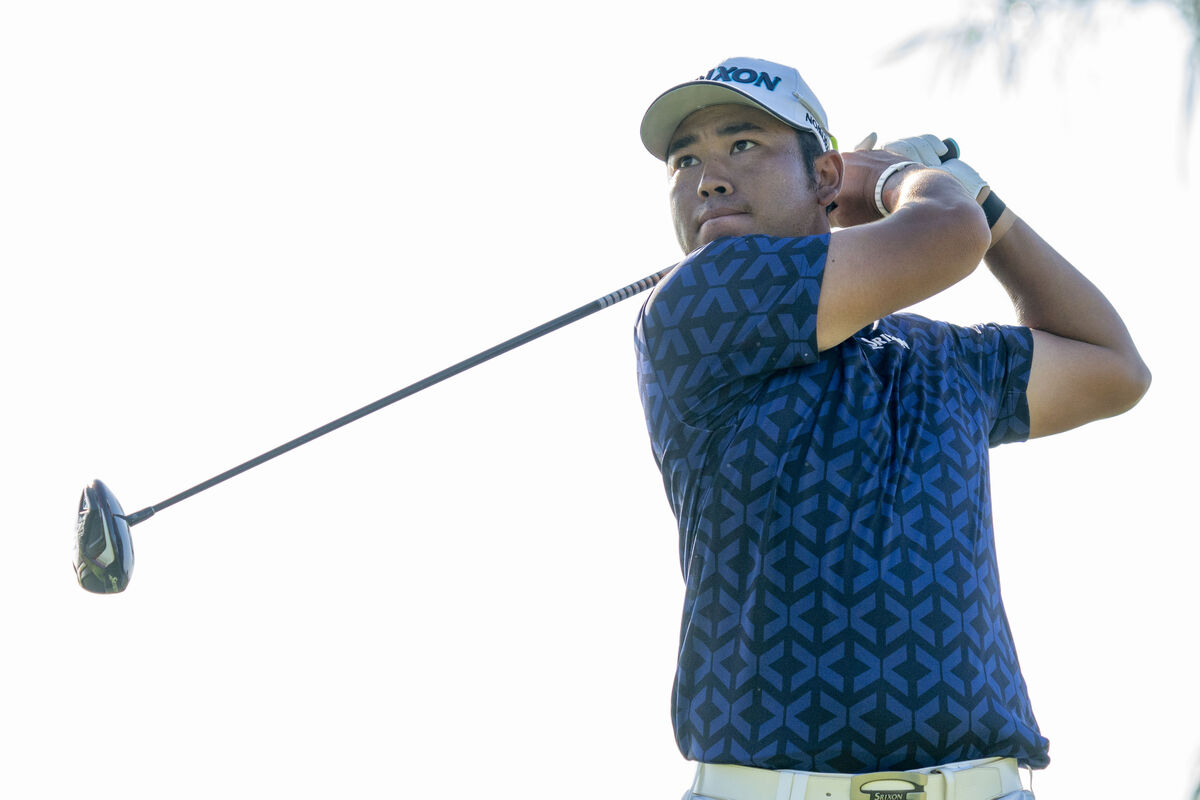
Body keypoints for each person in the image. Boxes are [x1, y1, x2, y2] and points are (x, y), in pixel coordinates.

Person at [633, 57, 1150, 800]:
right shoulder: (698, 301)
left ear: (823, 176)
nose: (709, 179)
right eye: (685, 161)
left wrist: (987, 205)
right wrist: (903, 183)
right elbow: (946, 235)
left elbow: (1114, 367)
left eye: (743, 145)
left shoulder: (940, 356)